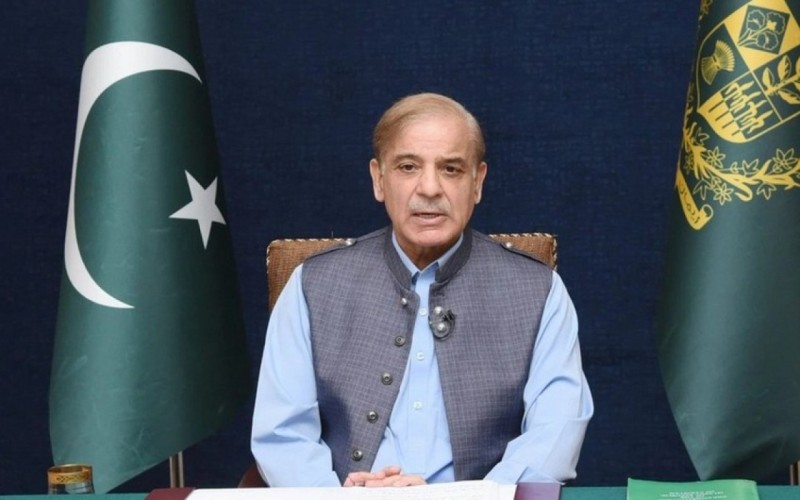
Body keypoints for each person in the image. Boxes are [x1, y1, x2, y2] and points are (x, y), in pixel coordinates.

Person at [251, 92, 593, 488]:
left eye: (451, 169)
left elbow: (556, 435)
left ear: (477, 182)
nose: (429, 188)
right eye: (408, 167)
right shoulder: (311, 284)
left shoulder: (540, 291)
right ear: (379, 179)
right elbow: (282, 437)